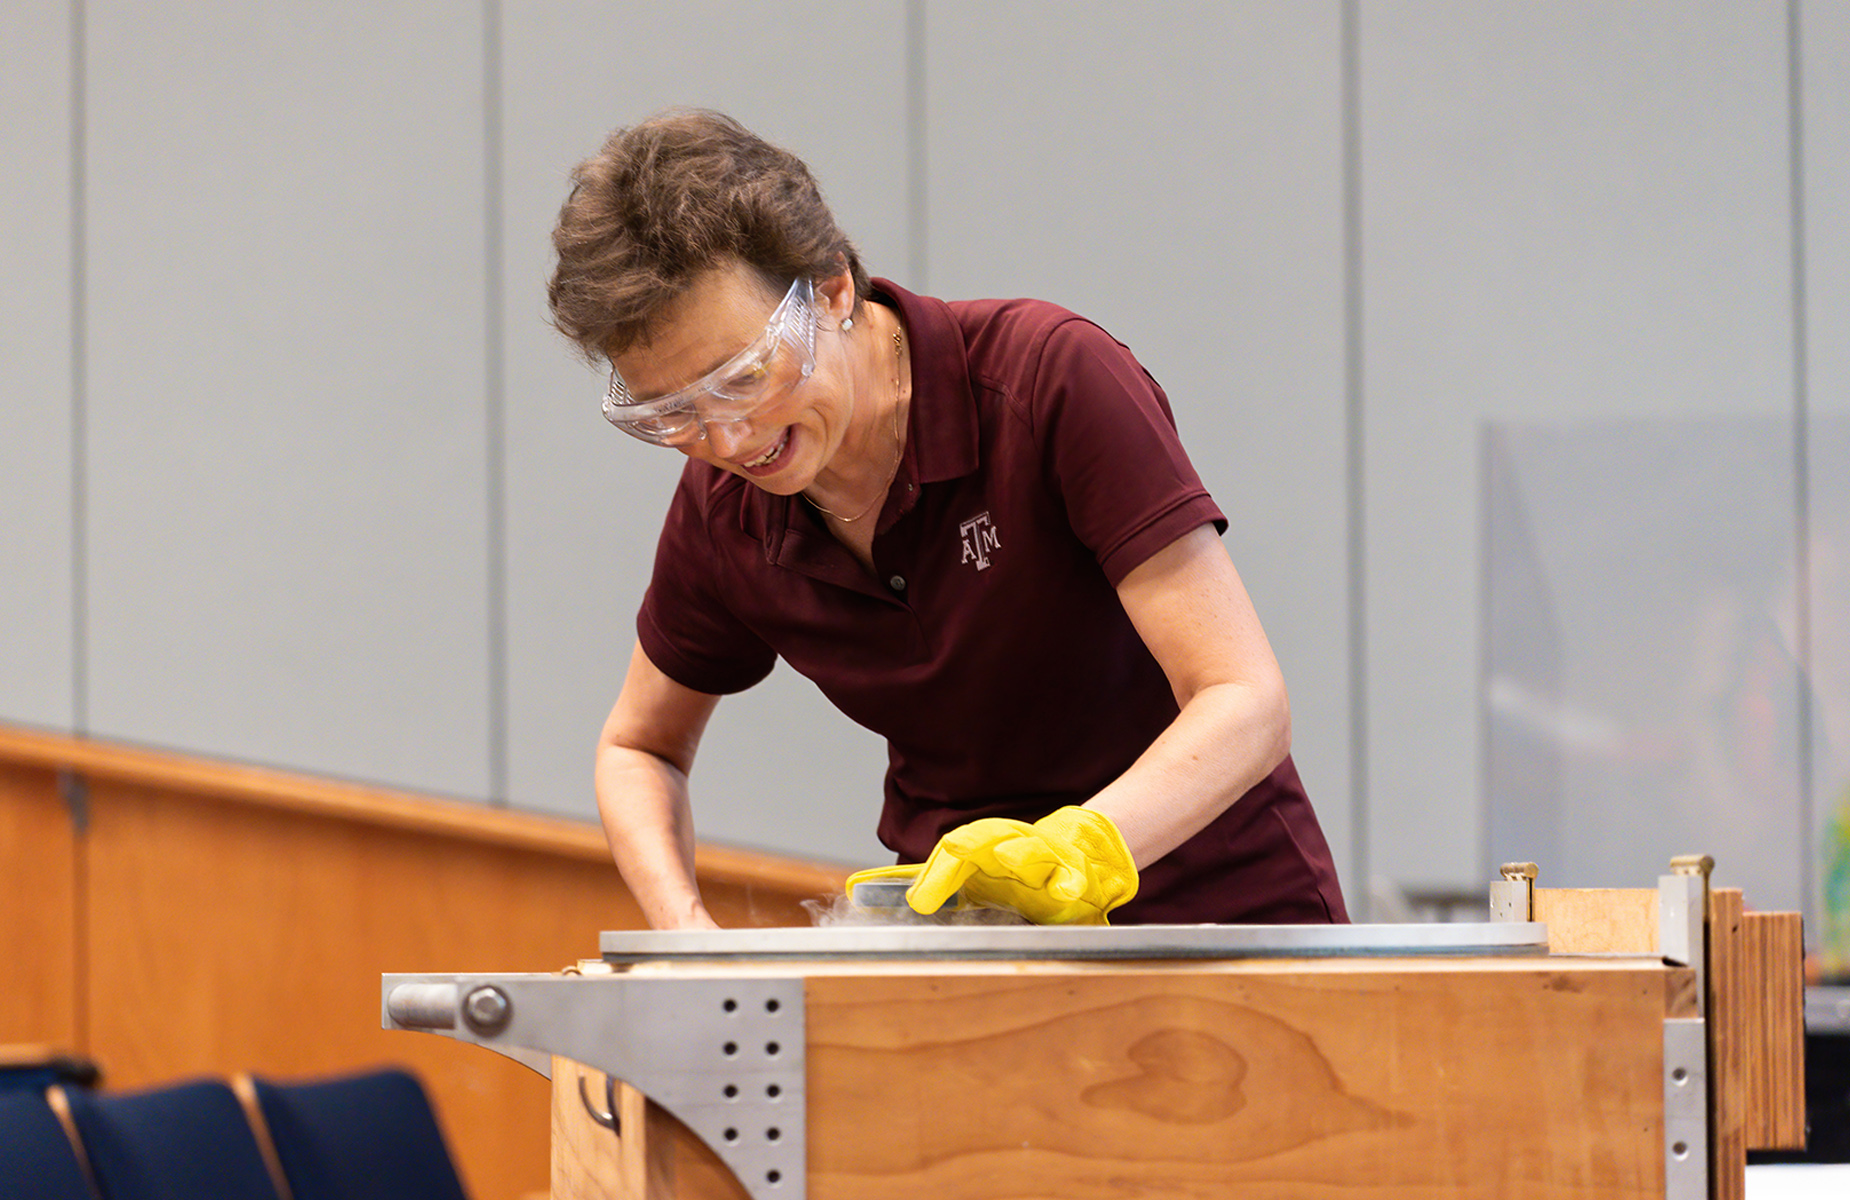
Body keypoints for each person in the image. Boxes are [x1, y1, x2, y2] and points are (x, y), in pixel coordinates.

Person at [548, 109, 1347, 929]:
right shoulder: (726, 512)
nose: (727, 437)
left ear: (832, 290)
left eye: (746, 376)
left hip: (1222, 916)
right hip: (969, 946)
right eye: (672, 412)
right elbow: (638, 749)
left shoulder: (1046, 381)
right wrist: (688, 939)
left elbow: (1244, 697)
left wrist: (1084, 849)